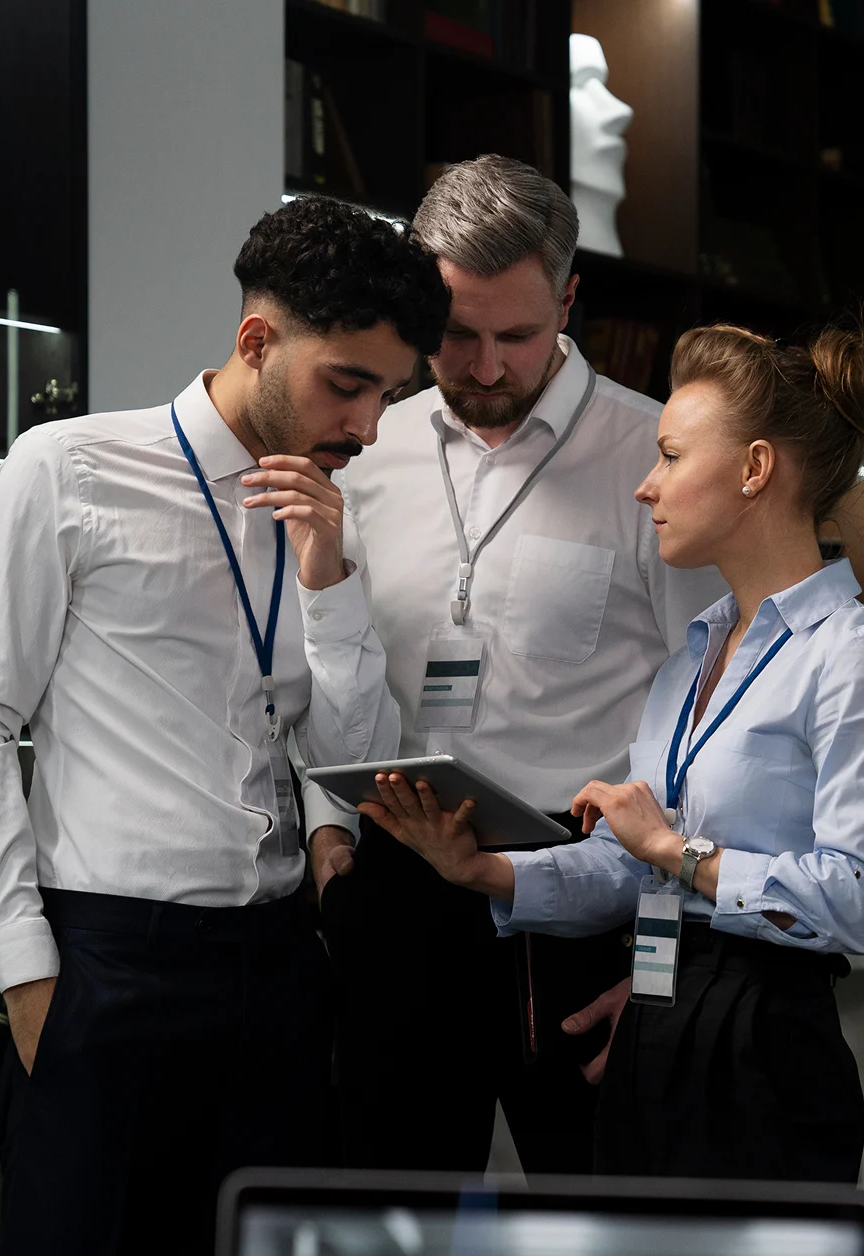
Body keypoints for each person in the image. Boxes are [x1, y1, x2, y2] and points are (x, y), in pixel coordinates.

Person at [0, 195, 449, 1254]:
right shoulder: (67, 467)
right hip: (109, 963)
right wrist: (28, 970)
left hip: (280, 967)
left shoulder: (333, 507)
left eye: (388, 394)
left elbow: (347, 758)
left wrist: (329, 578)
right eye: (347, 384)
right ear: (257, 340)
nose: (365, 425)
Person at [361, 323, 864, 1182]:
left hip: (767, 1044)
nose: (645, 485)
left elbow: (859, 901)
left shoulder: (857, 656)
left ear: (754, 470)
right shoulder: (691, 658)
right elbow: (631, 870)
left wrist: (675, 849)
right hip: (657, 1024)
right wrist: (485, 873)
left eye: (670, 456)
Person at [307, 155, 726, 1174]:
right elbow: (323, 658)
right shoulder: (366, 447)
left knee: (604, 1221)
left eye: (518, 335)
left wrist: (665, 968)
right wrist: (328, 847)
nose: (486, 366)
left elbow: (711, 729)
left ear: (570, 301)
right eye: (455, 334)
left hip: (583, 899)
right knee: (377, 1224)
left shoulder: (654, 457)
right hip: (397, 884)